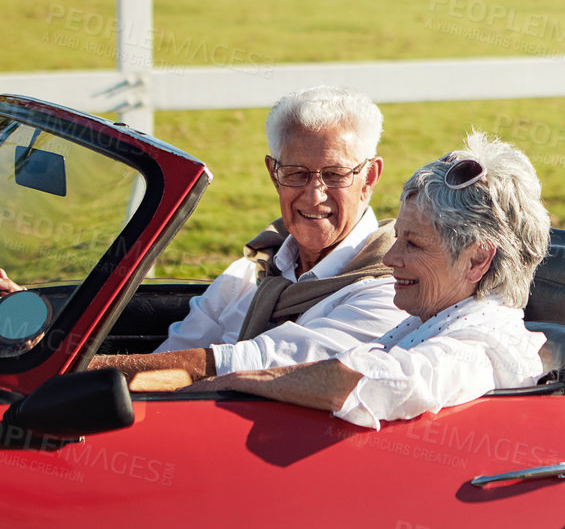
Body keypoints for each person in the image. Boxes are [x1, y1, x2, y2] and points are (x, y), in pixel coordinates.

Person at [174, 131, 550, 429]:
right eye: (397, 236)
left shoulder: (482, 346)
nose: (390, 258)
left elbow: (378, 382)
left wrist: (229, 383)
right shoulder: (433, 319)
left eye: (413, 244)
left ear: (478, 259)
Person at [92, 86, 405, 385]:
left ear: (369, 177)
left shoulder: (394, 287)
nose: (313, 197)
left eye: (335, 175)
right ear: (274, 173)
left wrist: (92, 370)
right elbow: (172, 355)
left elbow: (263, 362)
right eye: (296, 174)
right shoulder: (253, 268)